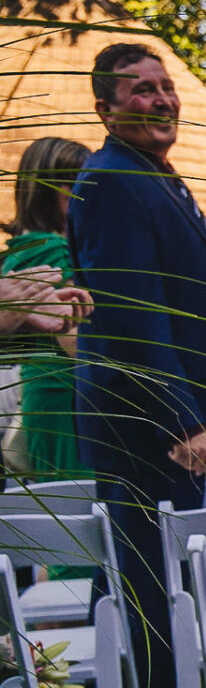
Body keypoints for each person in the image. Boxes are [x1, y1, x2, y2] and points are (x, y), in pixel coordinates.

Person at [68, 41, 206, 688]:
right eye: (140, 90)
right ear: (105, 107)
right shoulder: (111, 183)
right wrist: (180, 415)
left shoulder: (149, 174)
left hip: (172, 416)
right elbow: (130, 313)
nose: (161, 100)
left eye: (166, 87)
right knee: (150, 586)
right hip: (148, 427)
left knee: (143, 580)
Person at [3, 137, 93, 480]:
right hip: (67, 406)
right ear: (55, 192)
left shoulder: (25, 248)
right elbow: (77, 344)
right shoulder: (51, 250)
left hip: (51, 402)